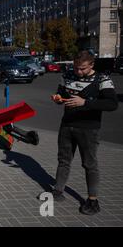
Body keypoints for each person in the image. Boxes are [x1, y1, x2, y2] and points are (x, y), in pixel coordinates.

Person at [49, 50, 118, 215]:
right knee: (63, 160)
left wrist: (85, 102)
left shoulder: (102, 79)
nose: (79, 72)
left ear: (92, 65)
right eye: (76, 68)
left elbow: (112, 104)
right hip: (67, 125)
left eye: (83, 69)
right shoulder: (68, 75)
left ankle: (93, 200)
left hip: (88, 128)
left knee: (89, 164)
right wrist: (58, 98)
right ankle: (58, 191)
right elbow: (63, 94)